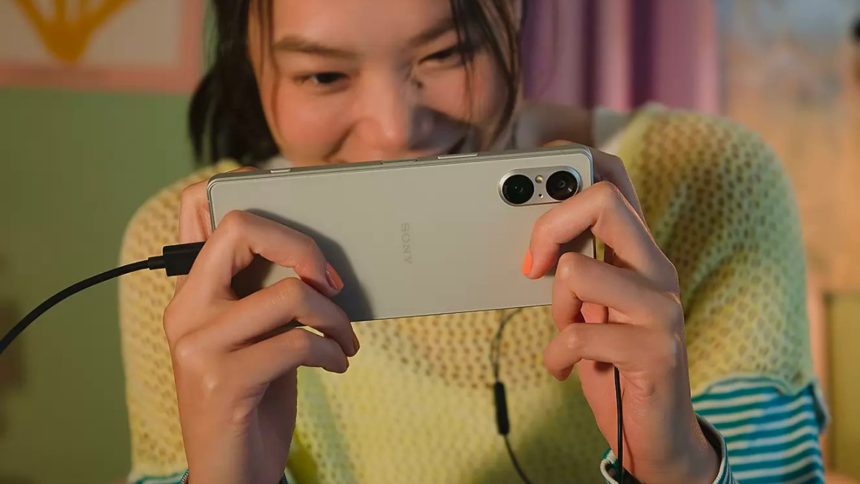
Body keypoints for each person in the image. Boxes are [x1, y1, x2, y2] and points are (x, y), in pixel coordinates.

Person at [118, 1, 828, 482]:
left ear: (512, 12)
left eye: (448, 52)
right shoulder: (199, 258)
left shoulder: (708, 183)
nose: (395, 129)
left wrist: (675, 465)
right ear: (250, 55)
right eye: (324, 75)